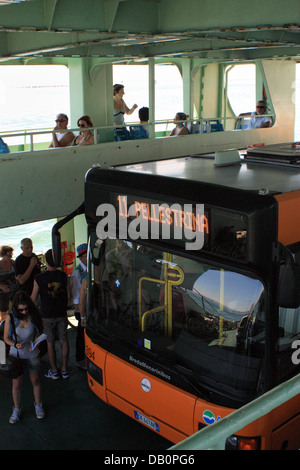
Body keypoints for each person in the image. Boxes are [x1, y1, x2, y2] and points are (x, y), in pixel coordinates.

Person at [3, 290, 45, 424]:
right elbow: (6, 338)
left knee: (36, 380)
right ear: (15, 308)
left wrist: (37, 343)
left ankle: (38, 405)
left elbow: (39, 332)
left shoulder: (34, 315)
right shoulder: (10, 317)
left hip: (31, 353)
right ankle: (16, 409)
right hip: (16, 355)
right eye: (21, 310)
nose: (24, 312)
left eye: (26, 309)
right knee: (16, 383)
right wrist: (14, 344)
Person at [31, 249, 70, 380]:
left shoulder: (39, 278)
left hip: (46, 314)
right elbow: (68, 295)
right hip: (61, 312)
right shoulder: (64, 276)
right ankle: (64, 369)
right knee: (64, 341)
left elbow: (33, 299)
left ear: (46, 261)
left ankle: (54, 370)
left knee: (50, 342)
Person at [70, 243, 87, 369]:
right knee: (81, 334)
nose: (87, 257)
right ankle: (80, 358)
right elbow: (76, 294)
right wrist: (81, 313)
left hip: (90, 306)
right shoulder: (77, 273)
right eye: (84, 255)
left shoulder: (92, 267)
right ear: (80, 258)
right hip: (81, 308)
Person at [0, 245, 17, 321]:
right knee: (4, 311)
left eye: (11, 254)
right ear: (2, 255)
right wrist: (1, 286)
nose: (10, 256)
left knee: (16, 308)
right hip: (2, 293)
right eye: (8, 254)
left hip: (14, 290)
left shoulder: (13, 263)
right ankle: (4, 326)